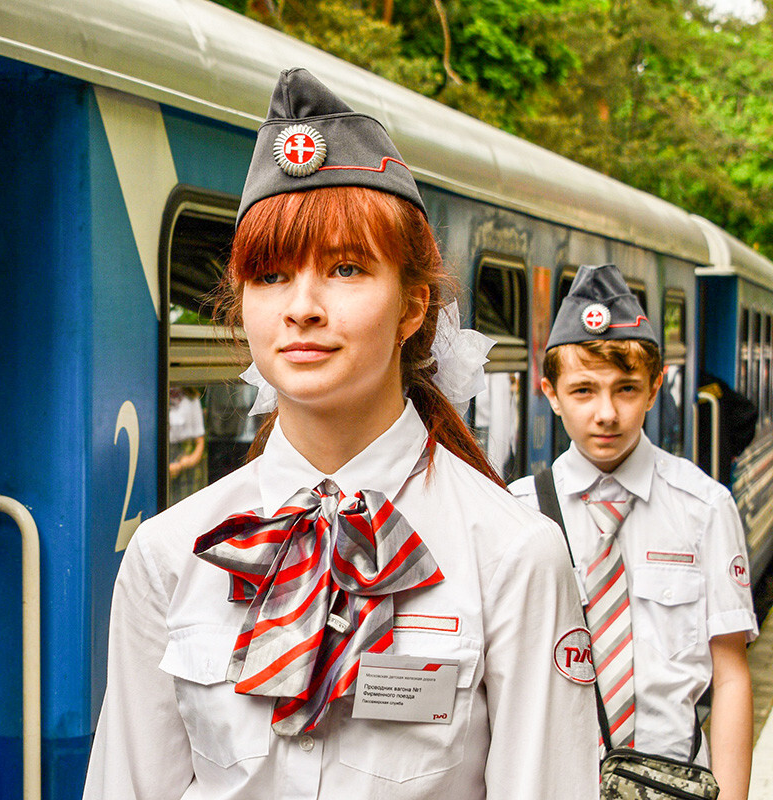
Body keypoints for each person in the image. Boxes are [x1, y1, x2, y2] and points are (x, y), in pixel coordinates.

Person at [83, 67, 598, 800]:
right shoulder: (171, 554)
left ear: (414, 305)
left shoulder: (513, 555)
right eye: (269, 276)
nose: (302, 307)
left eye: (347, 268)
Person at [509, 264, 756, 800]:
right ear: (549, 393)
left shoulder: (704, 508)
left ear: (654, 388)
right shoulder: (518, 512)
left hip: (670, 783)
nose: (606, 413)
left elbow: (731, 673)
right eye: (583, 391)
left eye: (626, 389)